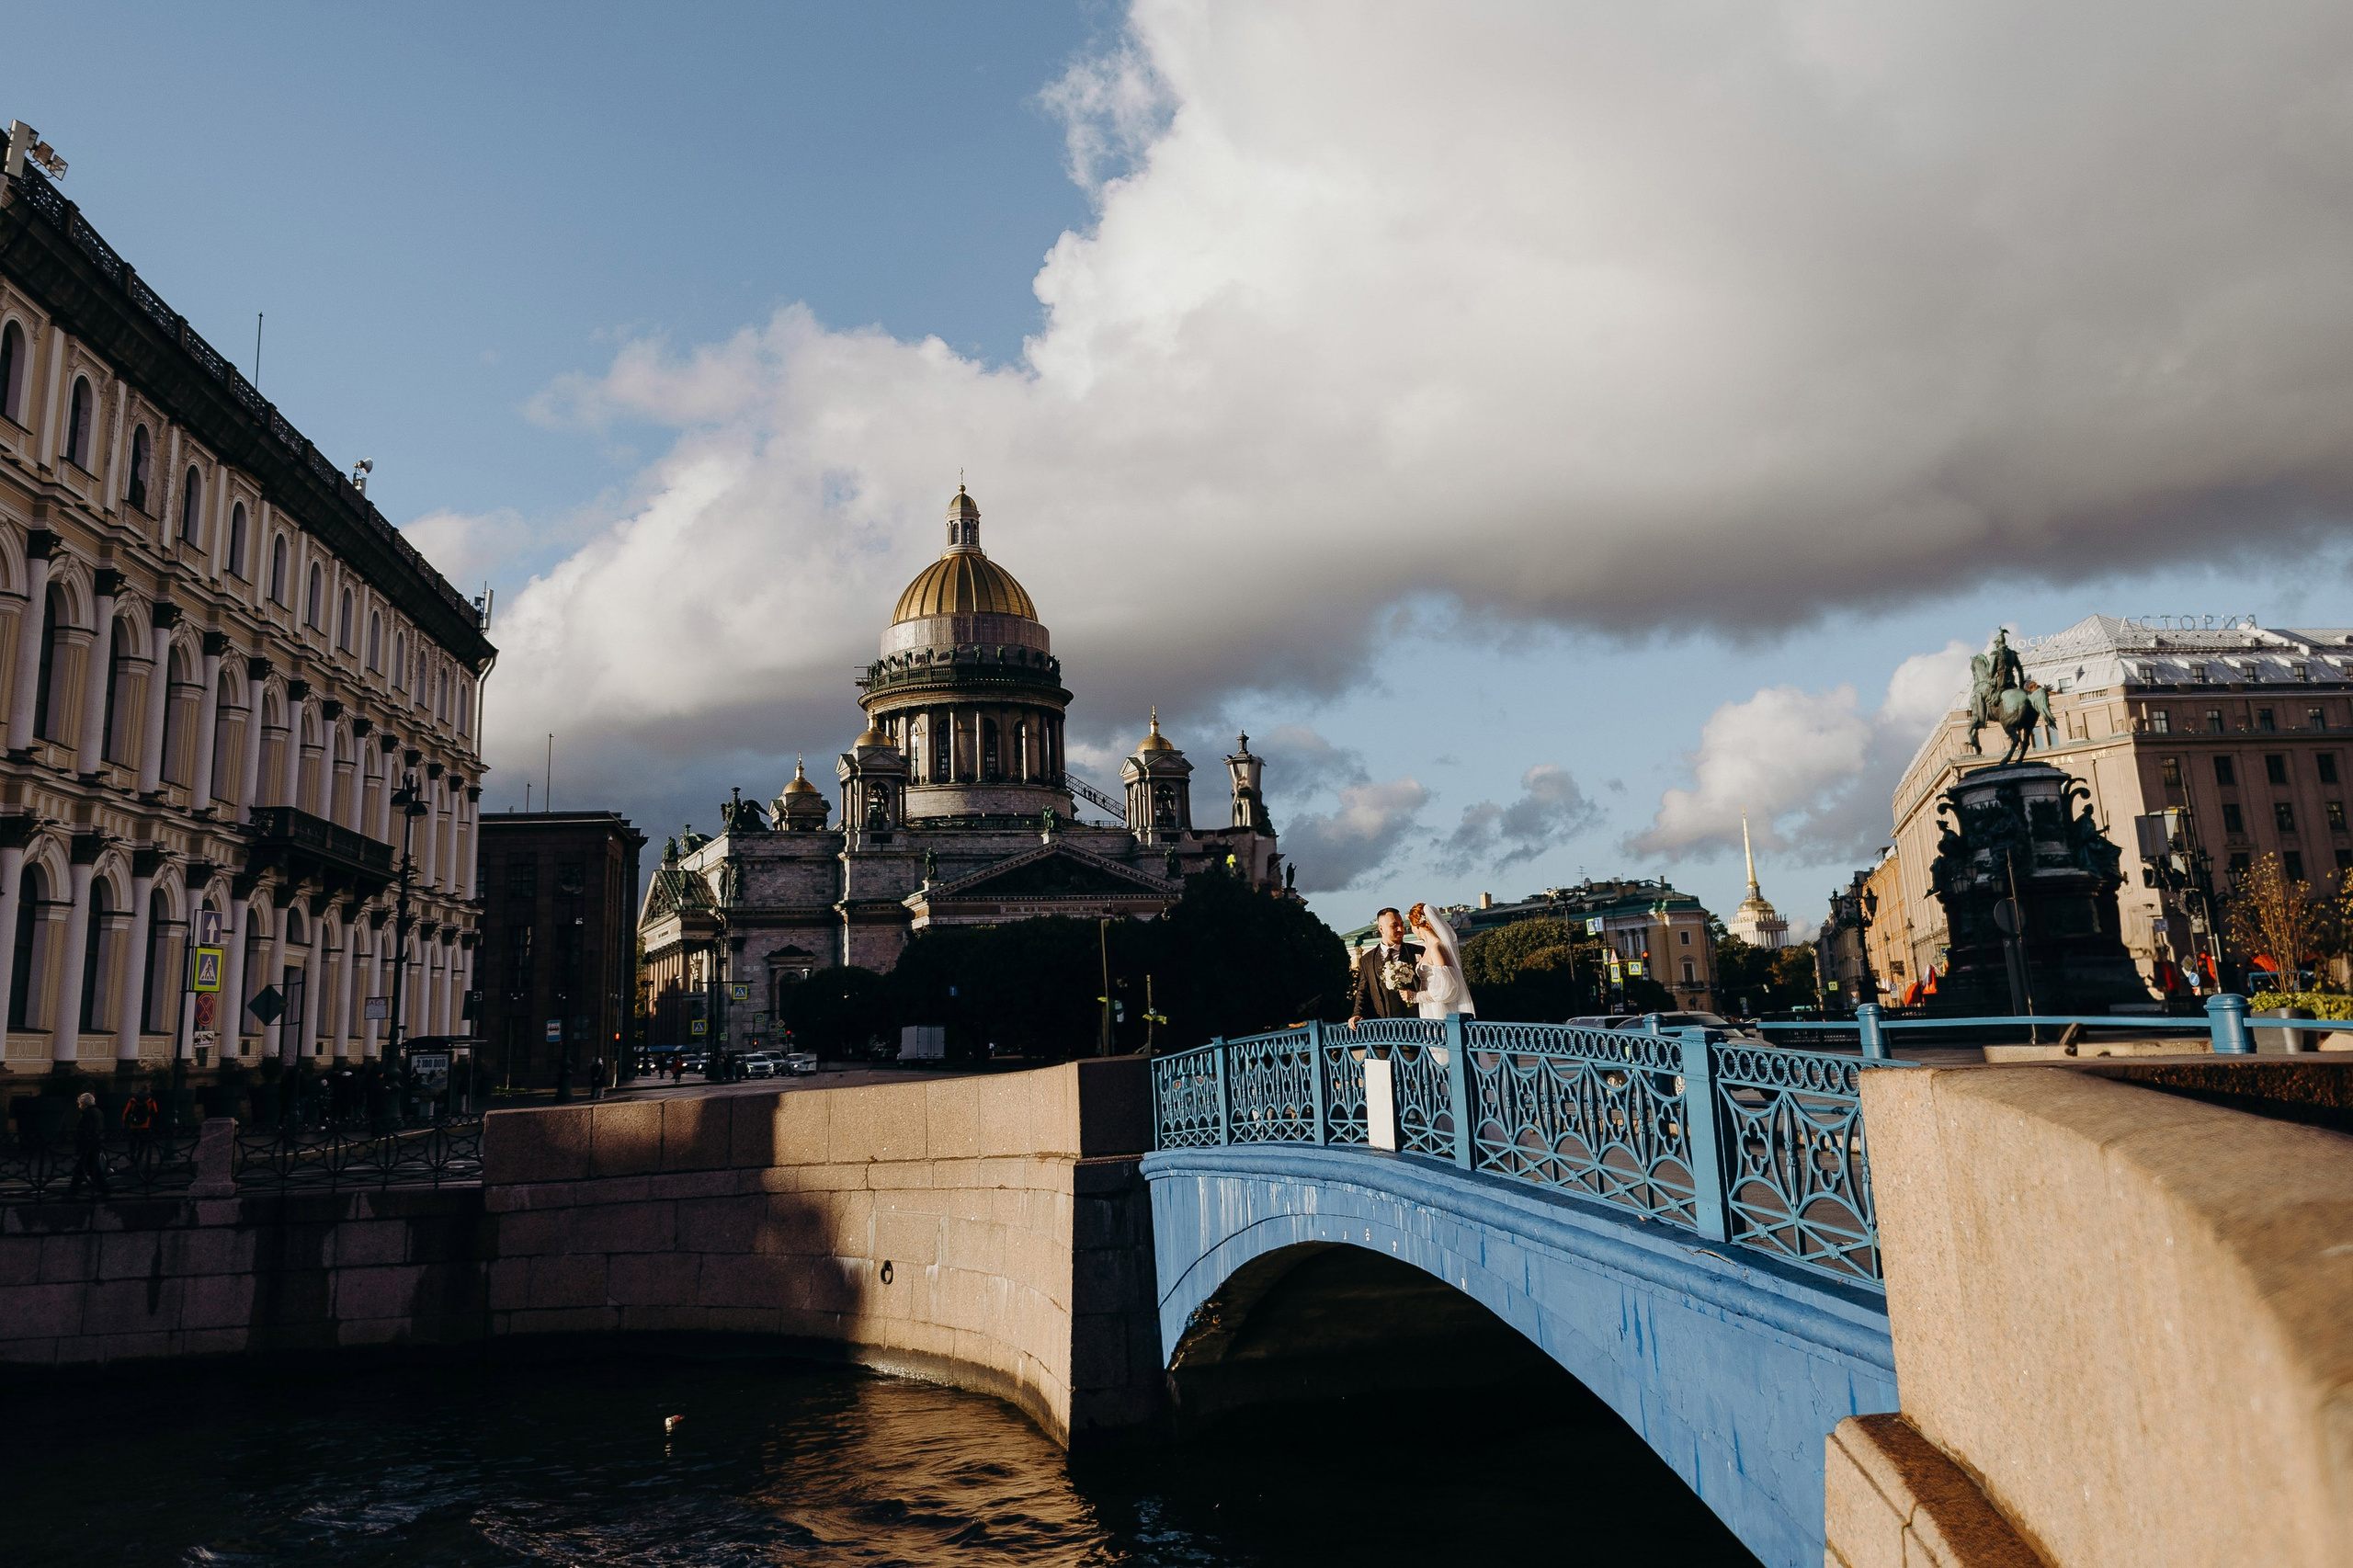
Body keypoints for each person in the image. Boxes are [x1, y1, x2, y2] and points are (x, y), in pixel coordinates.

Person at [1347, 907, 1423, 1024]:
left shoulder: (1418, 952)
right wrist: (1357, 1013)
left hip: (1414, 1026)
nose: (1400, 929)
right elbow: (1363, 991)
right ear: (1381, 929)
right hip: (1382, 1029)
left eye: (1401, 924)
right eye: (1394, 925)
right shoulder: (1366, 960)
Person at [1407, 903, 1477, 1019]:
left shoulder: (1435, 947)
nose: (1412, 931)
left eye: (1411, 926)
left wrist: (1415, 997)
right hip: (1429, 1006)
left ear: (1417, 925)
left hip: (1438, 1008)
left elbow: (1447, 988)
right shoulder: (1429, 948)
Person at [65, 1092, 111, 1199]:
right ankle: (104, 1188)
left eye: (80, 1104)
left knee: (81, 1168)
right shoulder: (98, 1111)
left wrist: (81, 1143)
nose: (79, 1106)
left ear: (84, 1104)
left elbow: (85, 1130)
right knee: (92, 1168)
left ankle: (73, 1191)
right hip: (95, 1143)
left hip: (89, 1145)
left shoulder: (88, 1114)